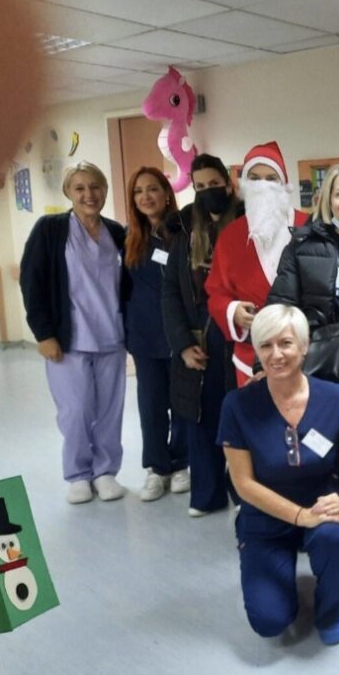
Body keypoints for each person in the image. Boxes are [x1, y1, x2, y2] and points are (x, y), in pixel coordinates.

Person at [218, 305, 339, 644]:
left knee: (333, 536)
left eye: (286, 343)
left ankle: (329, 606)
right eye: (266, 345)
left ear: (304, 347)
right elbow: (243, 483)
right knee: (270, 621)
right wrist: (299, 516)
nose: (276, 354)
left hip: (321, 506)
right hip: (263, 518)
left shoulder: (334, 397)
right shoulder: (238, 405)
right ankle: (274, 575)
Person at [266, 161, 339, 575]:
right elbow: (280, 307)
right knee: (321, 451)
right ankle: (325, 523)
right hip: (318, 370)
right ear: (327, 200)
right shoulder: (302, 245)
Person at [20, 161, 130, 504]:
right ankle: (79, 474)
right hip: (68, 340)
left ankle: (106, 471)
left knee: (110, 409)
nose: (88, 194)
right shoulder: (50, 230)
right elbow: (32, 281)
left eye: (95, 187)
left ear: (105, 190)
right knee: (76, 410)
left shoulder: (117, 233)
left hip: (112, 336)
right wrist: (43, 334)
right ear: (68, 192)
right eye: (80, 188)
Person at [161, 153, 244, 517]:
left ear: (228, 184)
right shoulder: (183, 230)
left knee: (242, 416)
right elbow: (170, 292)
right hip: (198, 338)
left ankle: (244, 492)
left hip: (238, 334)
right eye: (200, 186)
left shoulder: (246, 222)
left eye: (214, 184)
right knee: (201, 417)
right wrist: (182, 344)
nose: (207, 191)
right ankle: (207, 494)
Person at [206, 142, 310, 388]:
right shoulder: (230, 235)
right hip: (251, 356)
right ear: (244, 184)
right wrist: (232, 310)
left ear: (284, 184)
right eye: (254, 178)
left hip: (305, 352)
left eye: (271, 178)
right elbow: (216, 292)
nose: (263, 186)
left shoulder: (309, 226)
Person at [123, 166, 189, 502]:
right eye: (138, 191)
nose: (145, 196)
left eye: (152, 189)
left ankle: (180, 464)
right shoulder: (128, 239)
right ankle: (156, 468)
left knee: (182, 404)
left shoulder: (184, 233)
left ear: (166, 193)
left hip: (180, 335)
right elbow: (121, 290)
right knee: (151, 405)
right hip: (145, 336)